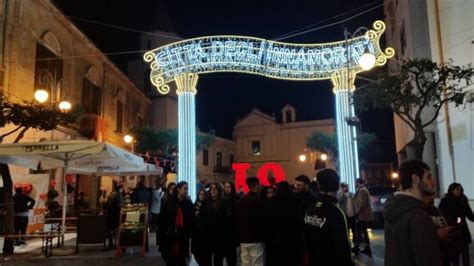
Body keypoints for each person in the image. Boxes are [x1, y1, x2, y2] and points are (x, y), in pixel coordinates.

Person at [383, 160, 441, 266]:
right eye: (428, 177)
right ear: (415, 179)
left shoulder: (393, 209)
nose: (433, 182)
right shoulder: (418, 216)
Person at [305, 169, 353, 266]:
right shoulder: (336, 212)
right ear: (337, 186)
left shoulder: (310, 208)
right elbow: (343, 247)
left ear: (318, 185)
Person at [267, 181, 305, 266]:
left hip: (278, 238)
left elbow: (271, 221)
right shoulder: (296, 200)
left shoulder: (273, 201)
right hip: (293, 237)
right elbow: (299, 219)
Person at [158, 181, 194, 266]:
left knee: (182, 261)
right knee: (171, 261)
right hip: (170, 238)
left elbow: (191, 220)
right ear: (178, 189)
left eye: (187, 189)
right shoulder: (169, 203)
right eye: (184, 188)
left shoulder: (188, 204)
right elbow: (162, 221)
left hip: (183, 237)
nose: (186, 191)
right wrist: (164, 234)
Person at [422, 191, 463, 266]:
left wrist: (454, 228)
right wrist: (437, 236)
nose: (432, 197)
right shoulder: (419, 213)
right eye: (428, 195)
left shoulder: (436, 210)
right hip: (433, 256)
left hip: (445, 254)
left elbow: (447, 222)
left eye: (432, 194)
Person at [439, 183, 474, 266]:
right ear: (452, 190)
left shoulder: (463, 200)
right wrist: (454, 222)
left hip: (463, 232)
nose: (459, 191)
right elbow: (442, 214)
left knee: (465, 255)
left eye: (460, 189)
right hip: (452, 232)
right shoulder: (445, 201)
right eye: (457, 189)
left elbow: (470, 216)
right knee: (455, 257)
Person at [236, 177, 266, 266]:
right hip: (256, 239)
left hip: (244, 238)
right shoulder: (258, 202)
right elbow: (261, 220)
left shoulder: (241, 201)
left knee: (245, 263)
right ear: (257, 186)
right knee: (257, 263)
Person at [354, 178, 374, 255]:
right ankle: (366, 248)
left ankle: (357, 248)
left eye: (356, 182)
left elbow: (362, 203)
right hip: (364, 214)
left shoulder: (362, 190)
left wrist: (357, 213)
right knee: (363, 231)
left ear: (358, 182)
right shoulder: (363, 189)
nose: (355, 184)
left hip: (363, 215)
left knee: (359, 231)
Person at [221, 182, 239, 266]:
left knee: (232, 256)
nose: (227, 189)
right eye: (225, 187)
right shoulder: (222, 200)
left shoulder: (236, 200)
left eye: (228, 187)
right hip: (224, 232)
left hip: (232, 232)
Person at [191, 189, 209, 265]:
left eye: (203, 194)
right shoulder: (195, 205)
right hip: (196, 233)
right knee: (197, 255)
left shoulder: (208, 205)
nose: (202, 196)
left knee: (205, 257)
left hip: (205, 234)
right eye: (200, 194)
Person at [338, 182, 357, 251]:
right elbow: (339, 200)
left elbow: (355, 202)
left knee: (354, 231)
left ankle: (355, 245)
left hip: (352, 215)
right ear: (342, 188)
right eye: (344, 187)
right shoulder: (340, 194)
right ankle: (347, 245)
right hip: (345, 215)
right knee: (347, 231)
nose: (346, 188)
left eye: (347, 186)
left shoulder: (351, 194)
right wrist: (344, 195)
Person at [104, 185, 123, 250]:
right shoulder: (120, 195)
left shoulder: (113, 195)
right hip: (118, 215)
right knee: (118, 229)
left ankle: (111, 244)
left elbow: (108, 205)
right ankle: (119, 244)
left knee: (110, 230)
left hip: (112, 215)